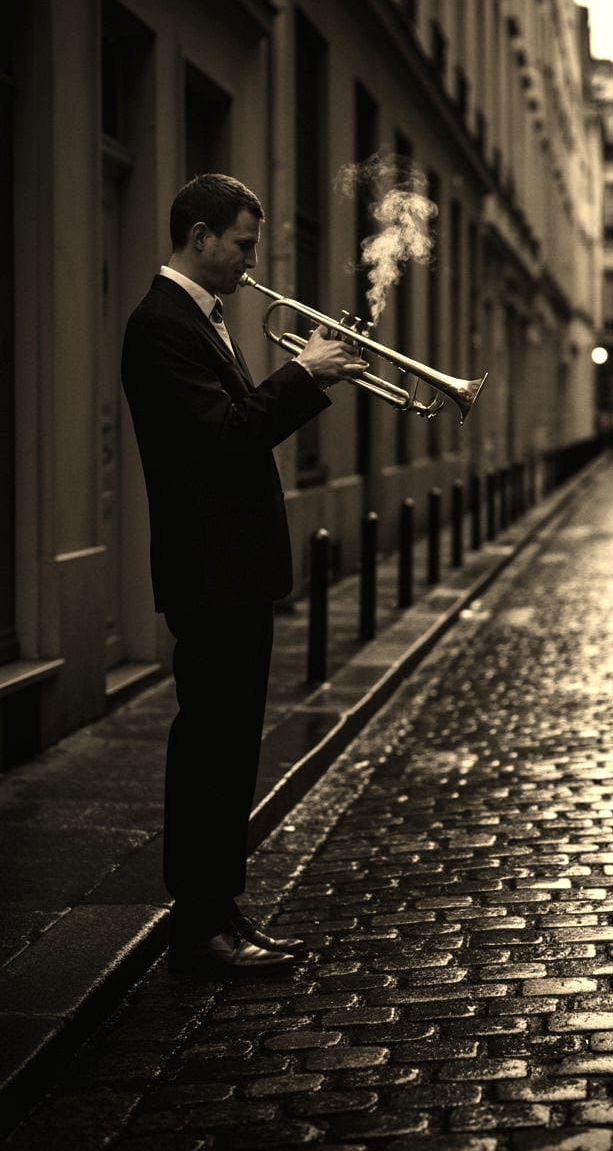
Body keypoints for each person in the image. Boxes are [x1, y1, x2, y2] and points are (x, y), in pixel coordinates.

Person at [121, 173, 367, 975]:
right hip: (209, 571)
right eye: (242, 245)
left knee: (231, 753)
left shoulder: (205, 319)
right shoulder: (161, 326)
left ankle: (222, 910)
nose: (251, 262)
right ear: (199, 237)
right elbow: (225, 436)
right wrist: (306, 377)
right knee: (210, 752)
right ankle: (199, 928)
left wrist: (304, 379)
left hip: (234, 571)